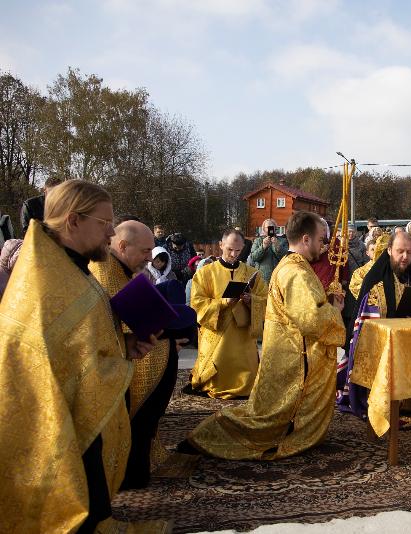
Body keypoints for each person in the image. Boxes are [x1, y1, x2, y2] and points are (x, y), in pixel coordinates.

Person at [0, 179, 158, 532]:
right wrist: (118, 363)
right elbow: (52, 362)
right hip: (52, 420)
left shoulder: (68, 267)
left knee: (92, 494)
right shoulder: (49, 279)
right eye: (105, 223)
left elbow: (82, 343)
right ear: (73, 221)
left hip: (76, 410)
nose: (111, 233)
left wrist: (126, 348)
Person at [182, 211, 346, 459]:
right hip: (293, 358)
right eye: (322, 240)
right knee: (268, 420)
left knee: (268, 412)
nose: (324, 246)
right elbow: (311, 319)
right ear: (305, 239)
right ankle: (214, 435)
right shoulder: (296, 272)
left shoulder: (292, 266)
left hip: (284, 351)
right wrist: (335, 312)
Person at [88, 220, 184, 489]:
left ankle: (136, 470)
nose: (149, 257)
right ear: (122, 245)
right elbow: (140, 318)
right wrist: (170, 329)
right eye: (145, 251)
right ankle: (131, 475)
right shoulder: (106, 271)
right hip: (127, 364)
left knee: (143, 427)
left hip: (140, 355)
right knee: (135, 426)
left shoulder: (122, 268)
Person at [338, 231, 411, 418]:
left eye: (409, 253)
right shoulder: (374, 279)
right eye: (400, 251)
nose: (404, 257)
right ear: (389, 250)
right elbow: (367, 323)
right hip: (383, 344)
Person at [188, 229, 268, 399]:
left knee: (246, 371)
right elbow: (197, 303)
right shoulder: (205, 273)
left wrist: (251, 300)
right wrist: (223, 303)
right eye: (229, 249)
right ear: (221, 245)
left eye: (238, 251)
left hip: (243, 333)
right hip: (218, 333)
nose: (233, 254)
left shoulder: (252, 273)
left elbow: (266, 300)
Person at [247, 218, 288, 286]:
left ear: (275, 228)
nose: (270, 229)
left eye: (272, 227)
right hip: (262, 278)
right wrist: (263, 247)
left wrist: (278, 247)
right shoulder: (258, 241)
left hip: (278, 277)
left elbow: (286, 258)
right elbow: (254, 257)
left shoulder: (283, 241)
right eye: (268, 227)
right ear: (263, 229)